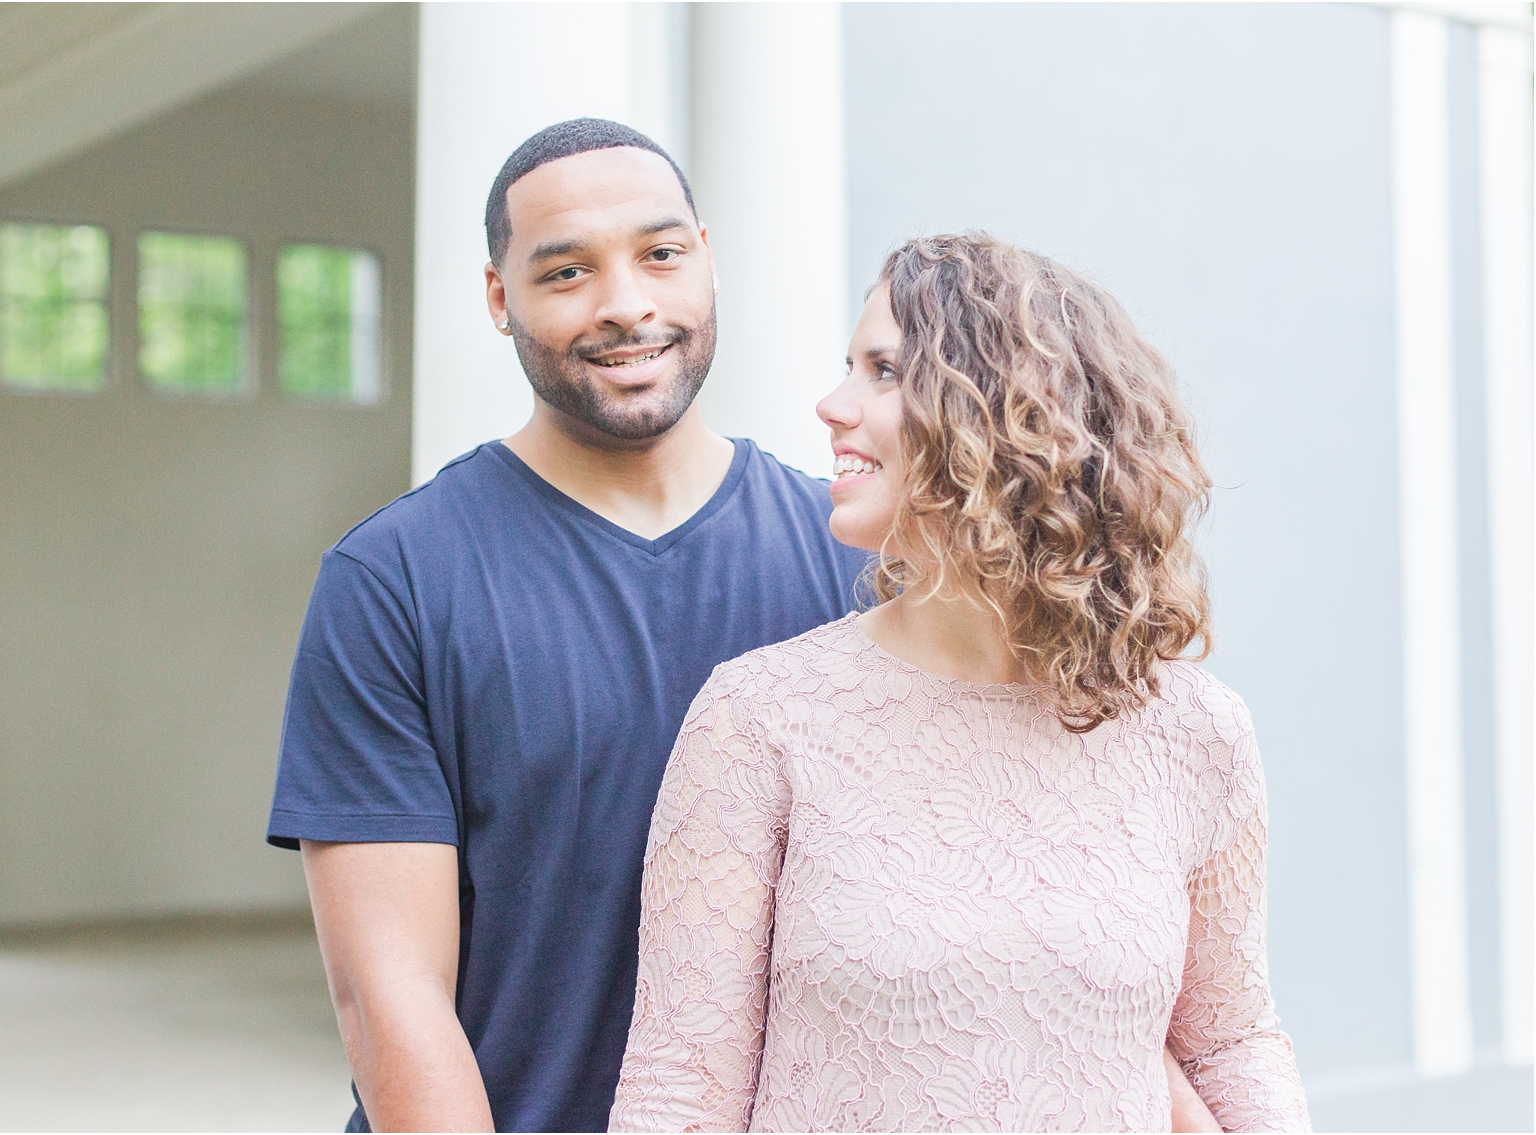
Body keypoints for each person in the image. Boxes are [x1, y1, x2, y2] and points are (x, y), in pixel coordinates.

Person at [608, 234, 1312, 1131]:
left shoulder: (1196, 732)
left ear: (1016, 416)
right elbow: (679, 1093)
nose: (832, 405)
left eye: (884, 370)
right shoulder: (760, 718)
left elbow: (1232, 1045)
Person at [265, 119, 866, 1132]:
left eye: (659, 255)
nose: (625, 304)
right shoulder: (394, 580)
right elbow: (387, 996)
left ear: (706, 261)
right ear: (500, 300)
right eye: (565, 273)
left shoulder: (855, 561)